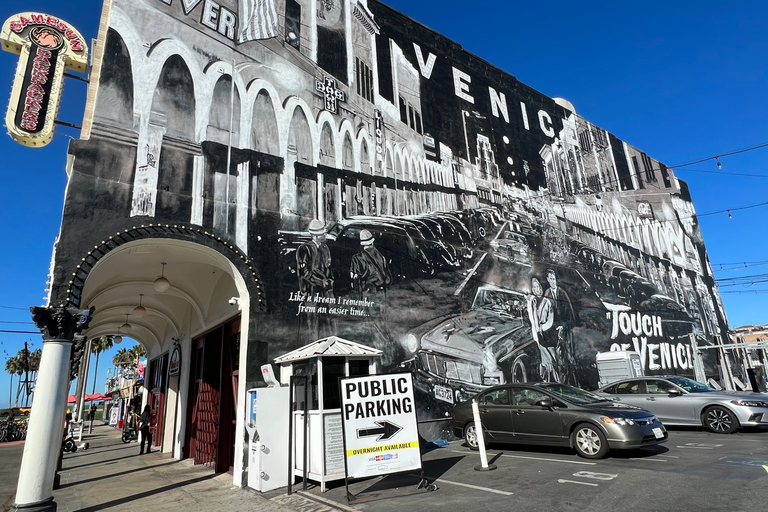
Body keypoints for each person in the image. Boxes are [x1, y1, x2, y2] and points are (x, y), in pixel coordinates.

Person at [543, 269, 578, 386]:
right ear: (547, 279)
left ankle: (573, 385)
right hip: (554, 335)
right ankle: (563, 385)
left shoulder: (562, 293)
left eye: (554, 279)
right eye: (551, 279)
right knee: (559, 362)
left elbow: (571, 316)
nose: (553, 281)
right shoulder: (546, 294)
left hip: (566, 334)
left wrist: (563, 326)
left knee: (569, 360)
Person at [527, 277, 556, 381]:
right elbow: (531, 318)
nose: (536, 289)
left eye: (538, 287)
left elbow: (550, 320)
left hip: (547, 335)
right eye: (534, 287)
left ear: (541, 288)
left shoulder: (547, 302)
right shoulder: (531, 302)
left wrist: (541, 328)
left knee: (552, 360)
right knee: (543, 362)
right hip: (537, 335)